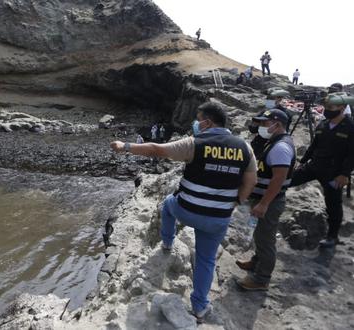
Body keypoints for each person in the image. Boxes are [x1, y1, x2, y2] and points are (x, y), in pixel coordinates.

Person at [110, 102, 258, 321]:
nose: (196, 124)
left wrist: (126, 146)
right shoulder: (245, 148)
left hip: (187, 211)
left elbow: (157, 150)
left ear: (207, 122)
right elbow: (251, 181)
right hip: (217, 218)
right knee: (206, 260)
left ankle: (167, 243)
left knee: (168, 205)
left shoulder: (195, 143)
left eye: (198, 120)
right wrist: (234, 203)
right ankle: (199, 307)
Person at [236, 109, 296, 291]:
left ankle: (261, 279)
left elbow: (278, 179)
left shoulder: (281, 148)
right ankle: (256, 262)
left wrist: (264, 204)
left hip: (269, 201)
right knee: (260, 235)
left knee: (266, 239)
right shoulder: (274, 142)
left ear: (276, 124)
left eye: (264, 123)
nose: (261, 126)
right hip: (262, 198)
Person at [290, 93, 354, 248]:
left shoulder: (350, 127)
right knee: (288, 180)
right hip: (314, 166)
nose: (327, 110)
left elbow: (352, 154)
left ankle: (332, 236)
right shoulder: (323, 124)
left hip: (334, 173)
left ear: (342, 107)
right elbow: (313, 146)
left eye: (331, 107)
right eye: (326, 107)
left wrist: (345, 174)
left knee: (333, 204)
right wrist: (303, 161)